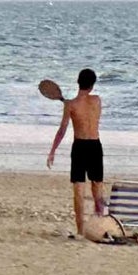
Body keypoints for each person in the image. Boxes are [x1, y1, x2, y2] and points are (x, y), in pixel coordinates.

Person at [47, 69, 104, 236]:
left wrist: (52, 150)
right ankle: (99, 224)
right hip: (95, 146)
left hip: (79, 147)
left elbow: (62, 130)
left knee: (79, 190)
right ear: (92, 85)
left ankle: (80, 231)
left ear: (78, 82)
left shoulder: (70, 105)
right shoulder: (97, 101)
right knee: (97, 186)